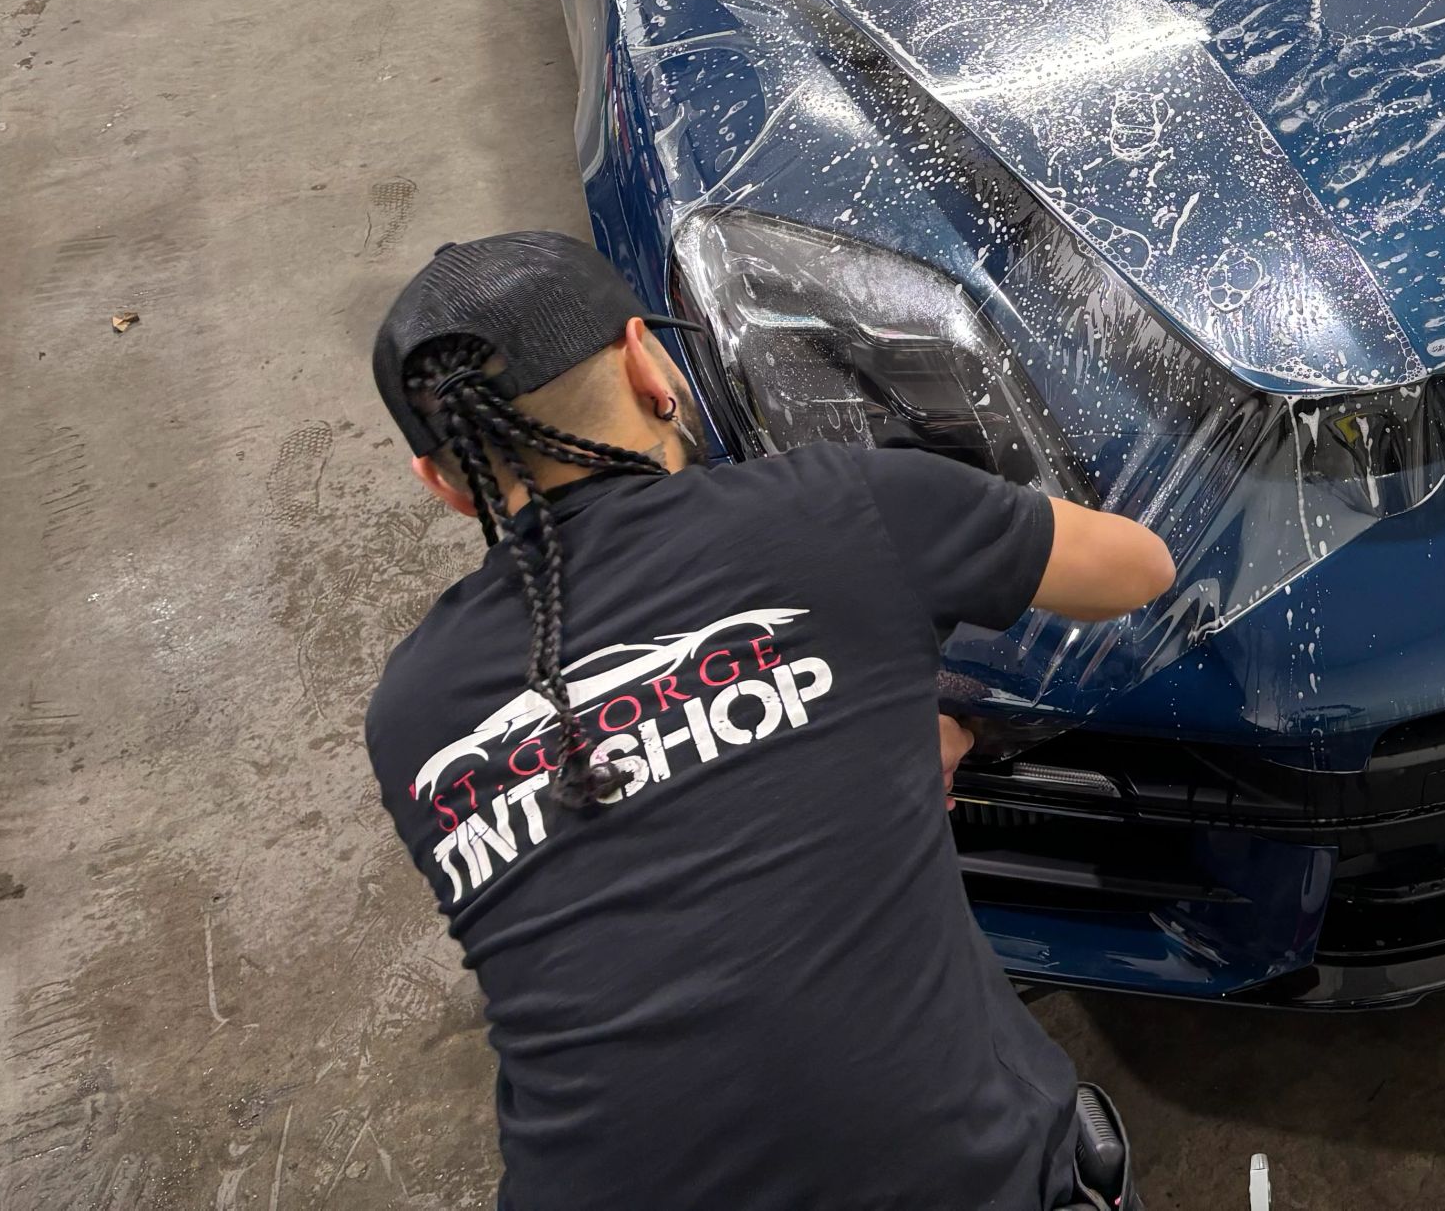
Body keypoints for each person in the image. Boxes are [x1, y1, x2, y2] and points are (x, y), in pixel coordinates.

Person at [363, 230, 1175, 1208]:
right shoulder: (843, 506)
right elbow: (1138, 570)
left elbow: (646, 843)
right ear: (647, 362)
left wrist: (865, 721)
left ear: (443, 486)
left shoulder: (408, 716)